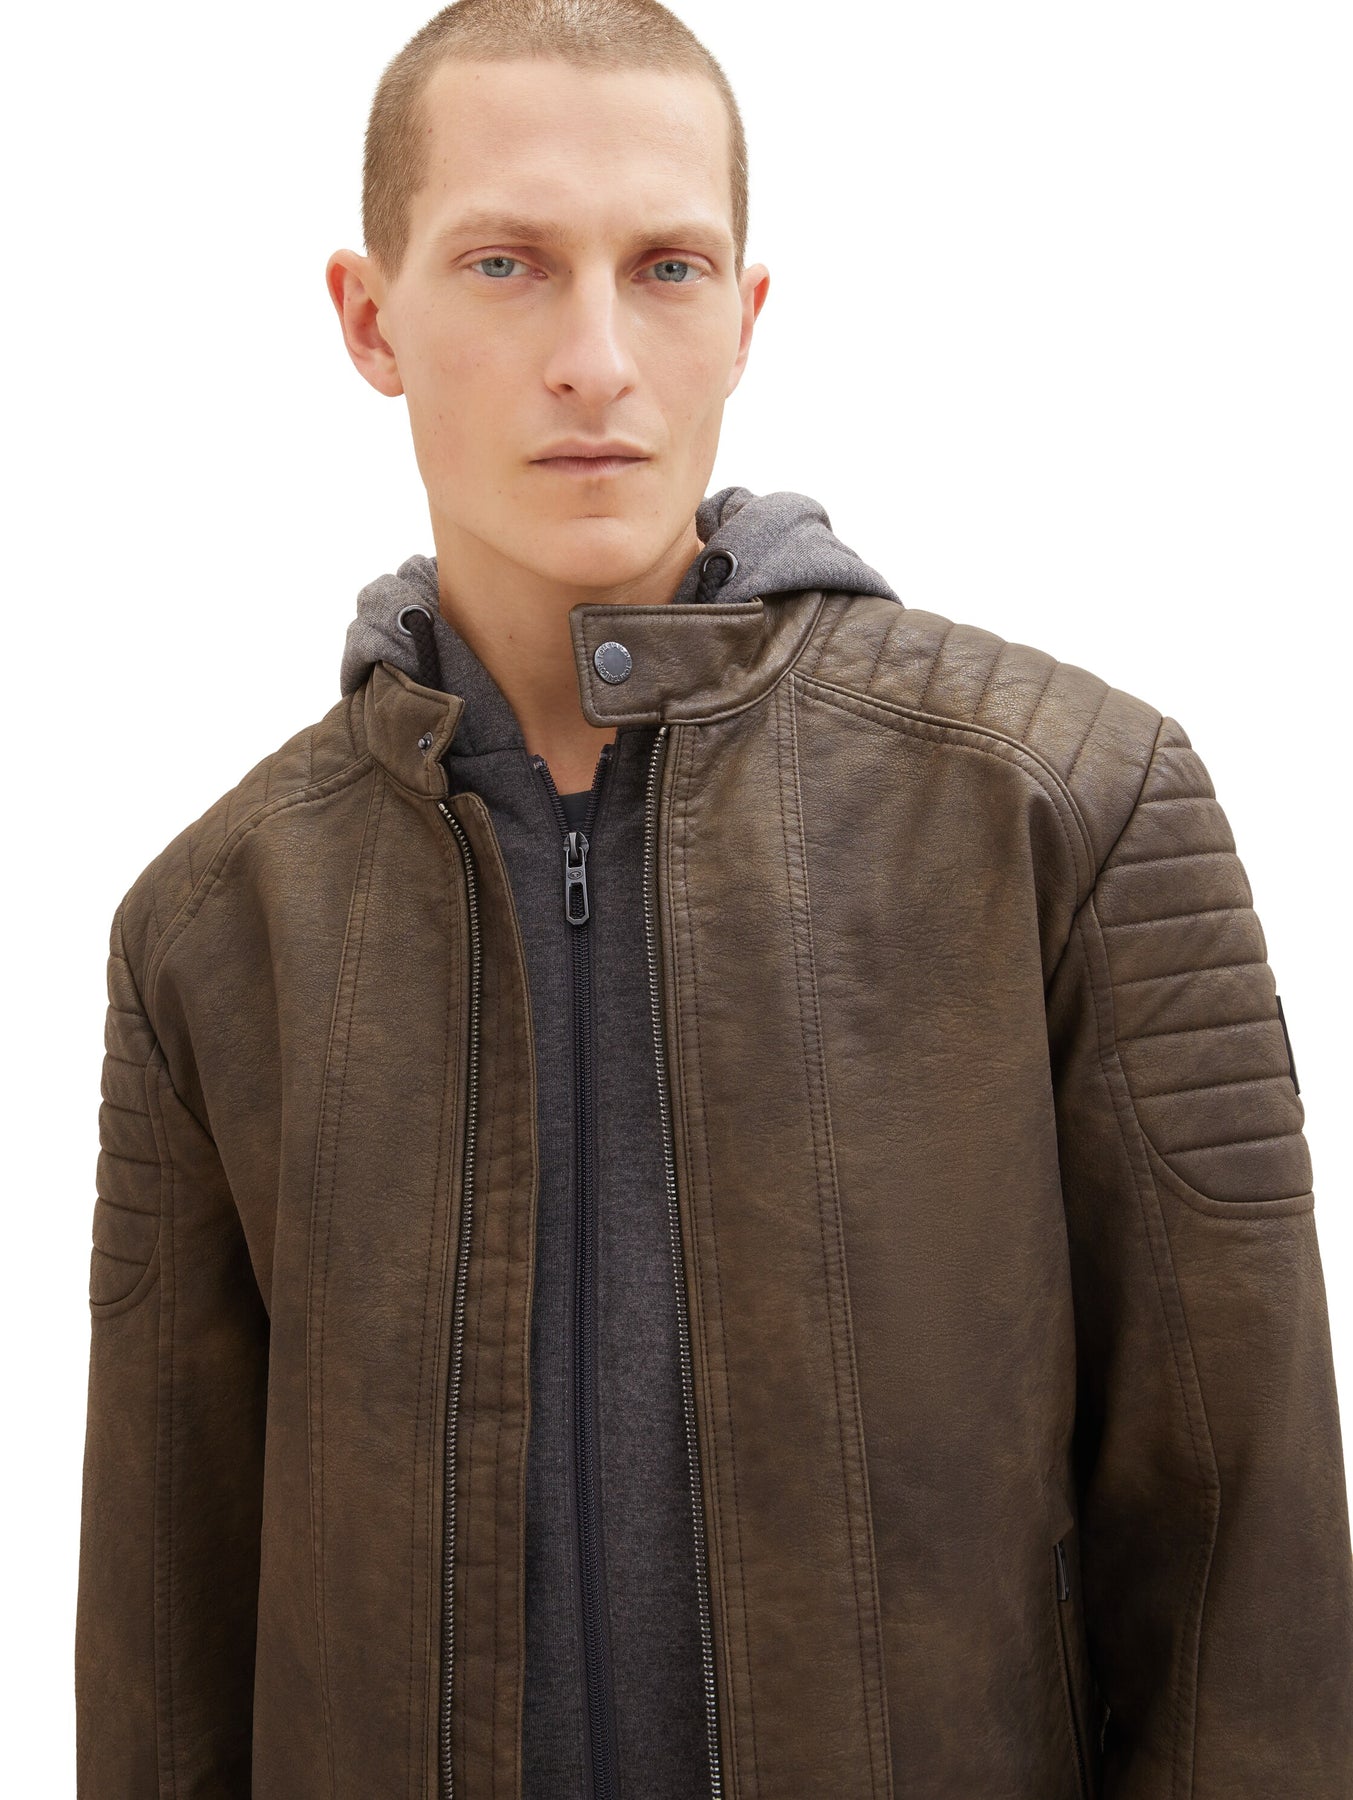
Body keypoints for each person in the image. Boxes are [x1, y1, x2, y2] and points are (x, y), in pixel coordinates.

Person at [74, 1, 1353, 1795]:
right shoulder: (217, 929)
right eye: (507, 264)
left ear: (745, 315)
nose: (595, 360)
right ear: (370, 319)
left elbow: (1247, 1578)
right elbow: (167, 1666)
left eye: (664, 268)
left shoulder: (1064, 806)